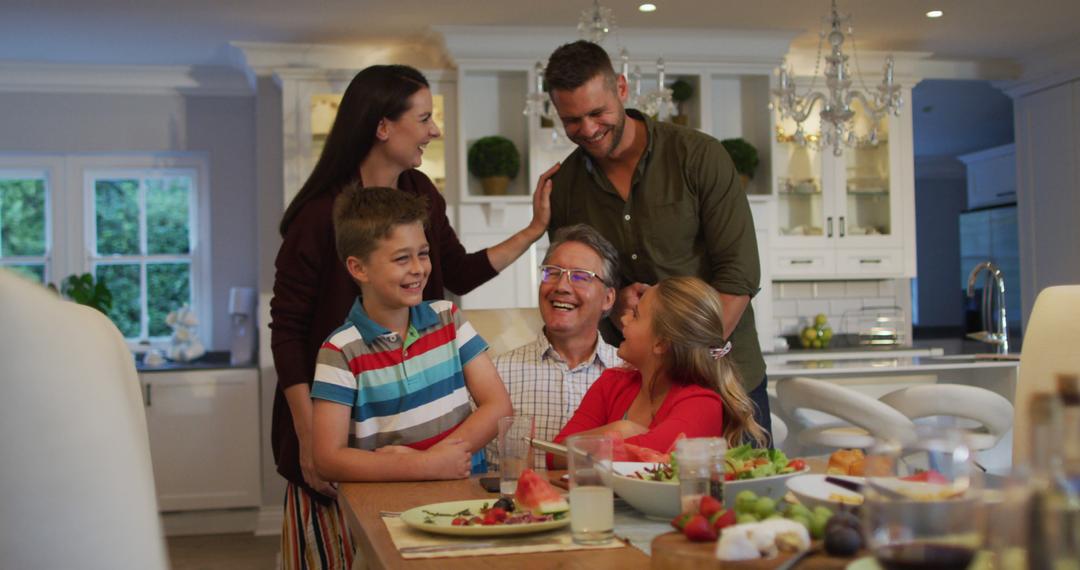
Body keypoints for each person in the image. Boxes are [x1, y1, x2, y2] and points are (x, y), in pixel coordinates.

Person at [270, 64, 553, 569]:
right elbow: (288, 330)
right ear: (383, 126)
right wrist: (311, 436)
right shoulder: (319, 216)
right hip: (339, 421)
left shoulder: (421, 192)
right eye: (424, 118)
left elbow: (459, 273)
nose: (434, 130)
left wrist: (534, 230)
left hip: (419, 444)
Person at [542, 41, 771, 441]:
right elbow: (578, 284)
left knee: (741, 499)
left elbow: (739, 275)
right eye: (572, 120)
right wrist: (614, 309)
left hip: (726, 378)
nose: (589, 130)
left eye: (598, 113)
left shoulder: (697, 156)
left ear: (622, 89)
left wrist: (682, 363)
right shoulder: (565, 187)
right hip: (636, 389)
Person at [310, 184, 511, 486]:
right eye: (402, 259)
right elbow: (328, 459)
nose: (418, 268)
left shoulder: (449, 319)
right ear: (358, 268)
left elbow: (498, 407)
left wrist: (437, 459)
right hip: (388, 511)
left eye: (423, 254)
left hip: (464, 498)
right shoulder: (339, 352)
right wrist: (425, 466)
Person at [552, 276, 767, 461]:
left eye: (635, 315)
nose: (624, 318)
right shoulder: (612, 381)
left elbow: (650, 454)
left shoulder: (701, 402)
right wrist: (622, 430)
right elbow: (555, 453)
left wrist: (600, 440)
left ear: (661, 343)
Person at [486, 224, 623, 469]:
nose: (561, 286)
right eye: (552, 273)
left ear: (608, 298)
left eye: (580, 277)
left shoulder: (630, 374)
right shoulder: (494, 374)